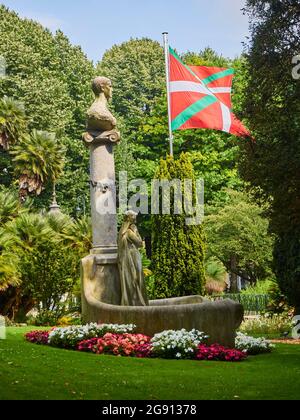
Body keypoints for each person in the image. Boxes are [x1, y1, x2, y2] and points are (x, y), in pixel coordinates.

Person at [118, 211, 149, 306]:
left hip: (127, 257)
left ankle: (131, 300)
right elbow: (139, 243)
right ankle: (139, 301)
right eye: (133, 216)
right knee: (137, 277)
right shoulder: (129, 232)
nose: (135, 217)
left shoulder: (121, 232)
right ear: (128, 218)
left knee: (131, 278)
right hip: (134, 256)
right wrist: (136, 231)